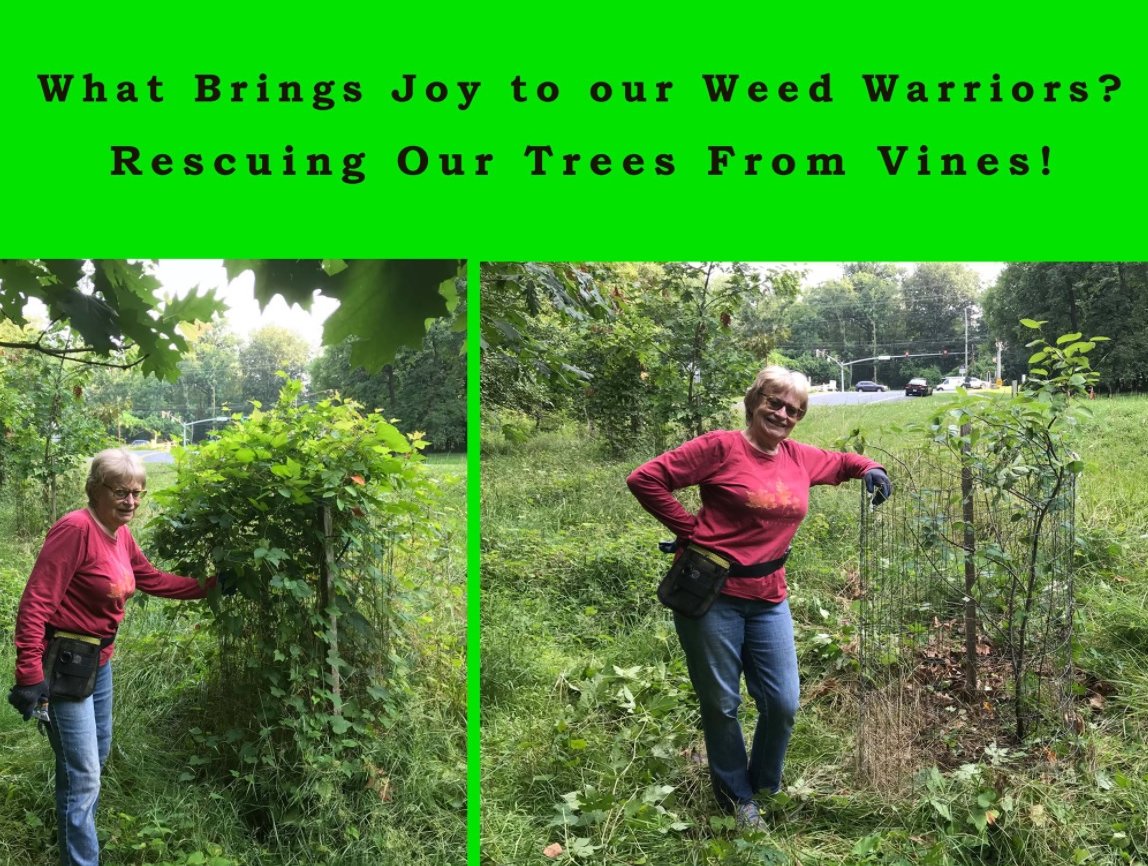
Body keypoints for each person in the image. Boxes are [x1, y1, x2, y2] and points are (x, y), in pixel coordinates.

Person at [626, 366, 892, 830]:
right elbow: (645, 479)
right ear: (755, 401)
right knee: (722, 702)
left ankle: (766, 784)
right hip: (712, 596)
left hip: (770, 596)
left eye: (794, 409)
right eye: (775, 402)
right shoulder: (719, 447)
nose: (783, 413)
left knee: (783, 701)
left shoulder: (797, 457)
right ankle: (737, 798)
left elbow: (842, 461)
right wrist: (691, 530)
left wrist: (871, 467)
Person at [7, 448, 219, 866]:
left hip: (97, 665)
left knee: (92, 759)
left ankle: (74, 833)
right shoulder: (75, 530)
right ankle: (82, 859)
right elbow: (36, 603)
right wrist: (30, 672)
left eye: (139, 493)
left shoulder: (118, 531)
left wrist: (209, 585)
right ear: (95, 489)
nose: (132, 502)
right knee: (84, 771)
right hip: (65, 665)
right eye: (121, 492)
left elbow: (150, 577)